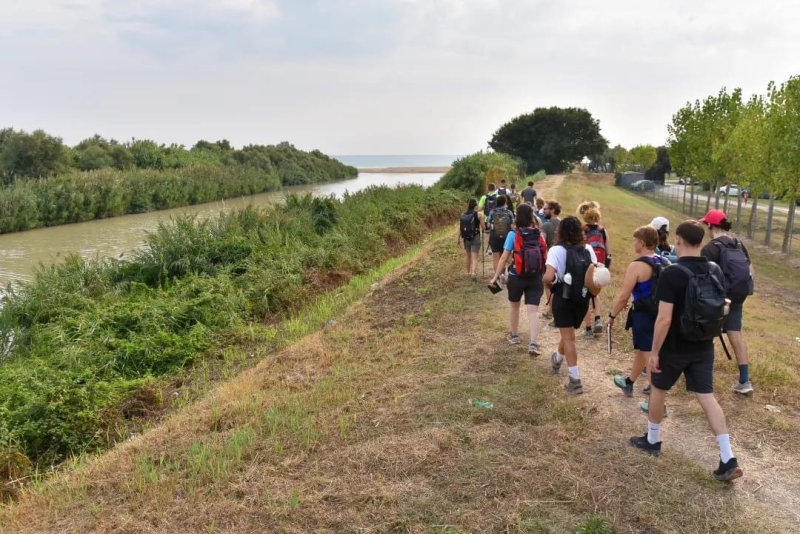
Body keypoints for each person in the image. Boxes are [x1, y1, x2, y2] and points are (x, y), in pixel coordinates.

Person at [630, 220, 743, 482]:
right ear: (701, 242)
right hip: (704, 344)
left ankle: (653, 439)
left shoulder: (673, 273)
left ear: (678, 240)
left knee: (658, 388)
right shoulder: (715, 269)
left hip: (673, 345)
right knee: (707, 396)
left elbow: (664, 319)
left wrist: (654, 351)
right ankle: (728, 456)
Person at [608, 226, 669, 396]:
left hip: (643, 315)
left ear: (642, 243)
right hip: (662, 313)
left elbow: (623, 297)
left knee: (649, 355)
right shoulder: (663, 261)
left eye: (635, 240)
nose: (634, 243)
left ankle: (655, 398)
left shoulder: (637, 265)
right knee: (644, 350)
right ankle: (629, 382)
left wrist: (612, 315)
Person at [700, 209, 755, 395]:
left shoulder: (710, 248)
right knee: (735, 333)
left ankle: (700, 378)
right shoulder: (738, 244)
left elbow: (702, 275)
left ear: (710, 225)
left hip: (716, 299)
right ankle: (744, 380)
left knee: (705, 333)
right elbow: (750, 270)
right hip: (737, 296)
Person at [543, 216, 599, 395]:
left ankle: (575, 381)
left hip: (563, 298)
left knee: (568, 338)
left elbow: (548, 277)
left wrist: (547, 282)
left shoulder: (556, 250)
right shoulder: (588, 249)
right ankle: (557, 359)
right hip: (582, 299)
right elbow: (595, 273)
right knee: (568, 334)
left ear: (561, 231)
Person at [489, 204, 548, 355]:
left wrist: (495, 277)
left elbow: (503, 258)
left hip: (516, 276)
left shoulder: (513, 235)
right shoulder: (538, 234)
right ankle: (533, 343)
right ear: (531, 216)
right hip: (535, 277)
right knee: (533, 311)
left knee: (514, 307)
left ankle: (514, 336)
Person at [581, 206, 612, 337]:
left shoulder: (583, 230)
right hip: (599, 266)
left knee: (585, 297)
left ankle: (588, 329)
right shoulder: (603, 230)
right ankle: (598, 319)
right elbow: (609, 251)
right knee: (595, 293)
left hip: (586, 266)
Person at [458, 198, 485, 283]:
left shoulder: (463, 215)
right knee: (475, 257)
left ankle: (468, 272)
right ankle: (473, 273)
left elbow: (460, 228)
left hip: (466, 238)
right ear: (476, 205)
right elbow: (483, 227)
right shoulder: (479, 214)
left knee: (468, 256)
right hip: (475, 236)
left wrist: (458, 239)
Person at [487, 195, 515, 275]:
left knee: (496, 257)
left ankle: (498, 277)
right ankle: (508, 275)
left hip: (494, 237)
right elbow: (512, 226)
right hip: (506, 238)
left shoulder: (492, 212)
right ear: (505, 202)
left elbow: (488, 225)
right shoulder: (509, 212)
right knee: (507, 257)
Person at [479, 183, 499, 256]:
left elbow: (479, 208)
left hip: (487, 218)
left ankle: (490, 249)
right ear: (495, 188)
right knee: (496, 233)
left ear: (488, 188)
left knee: (488, 234)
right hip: (497, 218)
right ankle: (497, 248)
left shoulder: (484, 197)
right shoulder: (498, 196)